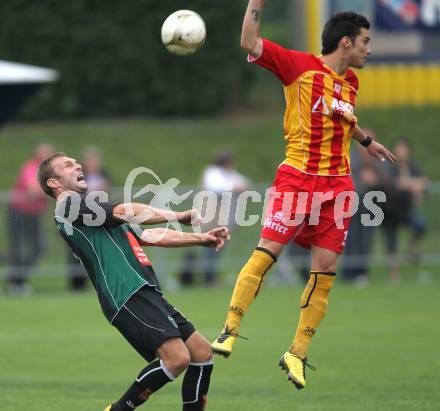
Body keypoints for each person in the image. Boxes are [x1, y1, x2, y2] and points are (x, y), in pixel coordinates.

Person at [211, 2, 396, 390]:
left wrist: (367, 141)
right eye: (365, 41)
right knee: (267, 251)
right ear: (345, 42)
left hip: (338, 186)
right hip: (298, 179)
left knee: (325, 271)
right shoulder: (298, 66)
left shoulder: (351, 84)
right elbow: (249, 39)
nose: (369, 49)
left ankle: (297, 352)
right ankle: (230, 327)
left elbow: (344, 119)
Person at [37, 152, 230, 411]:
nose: (78, 165)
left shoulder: (90, 209)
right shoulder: (69, 204)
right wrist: (178, 214)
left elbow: (149, 234)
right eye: (68, 165)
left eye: (76, 162)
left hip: (144, 289)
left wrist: (201, 238)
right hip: (125, 293)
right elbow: (128, 211)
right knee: (177, 359)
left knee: (201, 353)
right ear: (54, 182)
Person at [179, 150, 250, 287]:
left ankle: (211, 278)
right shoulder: (212, 172)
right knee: (210, 248)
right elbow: (216, 187)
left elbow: (244, 183)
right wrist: (235, 187)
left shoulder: (228, 174)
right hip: (210, 219)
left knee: (217, 249)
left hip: (222, 220)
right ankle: (209, 279)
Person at [341, 129, 388, 285]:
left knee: (366, 239)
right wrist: (361, 178)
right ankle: (348, 273)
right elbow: (344, 178)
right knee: (350, 239)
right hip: (350, 205)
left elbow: (386, 177)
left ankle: (362, 272)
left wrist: (374, 174)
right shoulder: (349, 157)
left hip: (371, 207)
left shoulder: (376, 158)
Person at [6, 143, 53, 295]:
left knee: (40, 247)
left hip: (34, 216)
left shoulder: (48, 174)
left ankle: (17, 279)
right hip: (19, 213)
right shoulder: (30, 168)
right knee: (18, 250)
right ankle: (16, 283)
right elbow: (33, 189)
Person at [383, 138, 428, 282]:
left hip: (406, 210)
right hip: (389, 210)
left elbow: (424, 180)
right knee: (392, 243)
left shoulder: (412, 165)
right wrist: (412, 184)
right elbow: (394, 183)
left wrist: (412, 184)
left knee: (420, 225)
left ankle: (411, 247)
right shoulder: (389, 165)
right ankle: (393, 274)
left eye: (404, 149)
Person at [67, 147, 111, 291]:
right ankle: (77, 284)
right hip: (81, 217)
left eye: (95, 160)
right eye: (90, 160)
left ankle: (102, 282)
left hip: (98, 217)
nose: (93, 163)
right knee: (79, 251)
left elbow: (106, 190)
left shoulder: (103, 174)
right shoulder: (79, 175)